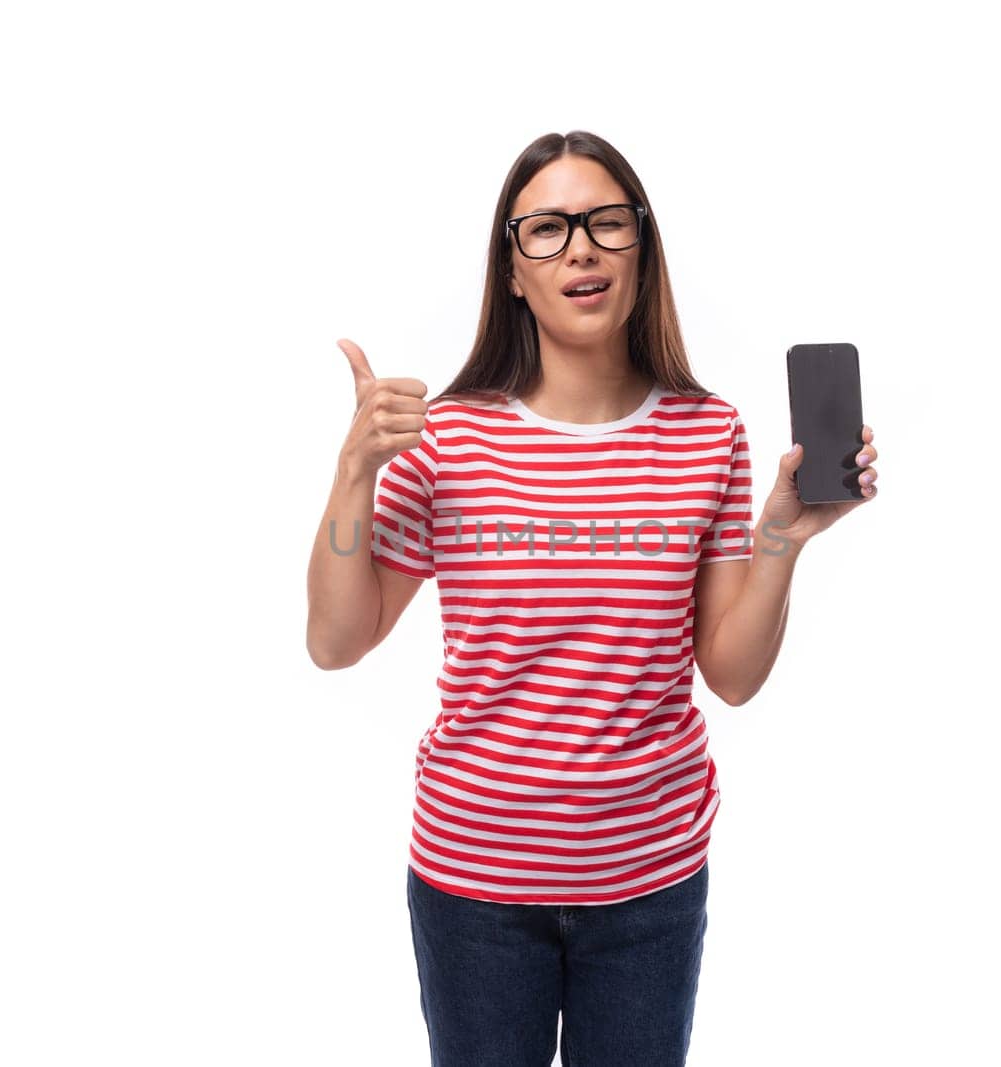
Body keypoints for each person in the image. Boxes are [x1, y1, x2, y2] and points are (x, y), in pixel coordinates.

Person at [305, 130, 879, 1067]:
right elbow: (337, 640)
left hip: (651, 884)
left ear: (641, 250)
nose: (580, 246)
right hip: (474, 884)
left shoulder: (709, 433)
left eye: (607, 222)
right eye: (547, 230)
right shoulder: (447, 439)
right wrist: (352, 473)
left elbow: (730, 677)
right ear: (513, 267)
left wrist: (781, 539)